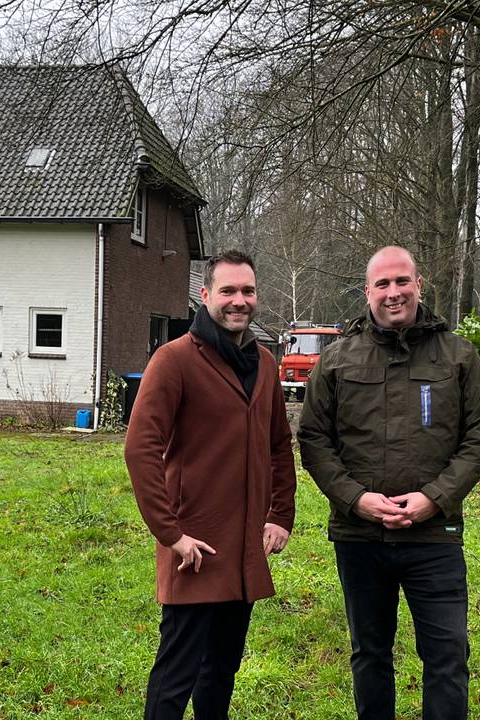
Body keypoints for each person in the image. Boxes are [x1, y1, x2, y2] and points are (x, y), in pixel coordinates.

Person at [298, 246, 480, 720]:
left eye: (402, 282)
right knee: (369, 654)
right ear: (367, 292)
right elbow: (313, 440)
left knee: (447, 657)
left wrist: (436, 498)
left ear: (419, 285)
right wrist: (356, 499)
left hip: (435, 536)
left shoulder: (459, 356)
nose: (394, 293)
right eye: (383, 284)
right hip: (360, 537)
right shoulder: (336, 360)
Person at [125, 249, 297, 720]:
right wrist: (171, 534)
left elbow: (279, 444)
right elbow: (140, 448)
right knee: (176, 674)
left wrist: (280, 514)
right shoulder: (175, 359)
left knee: (221, 671)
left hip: (243, 551)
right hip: (195, 549)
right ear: (206, 296)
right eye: (228, 291)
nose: (239, 300)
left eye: (247, 291)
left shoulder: (263, 362)